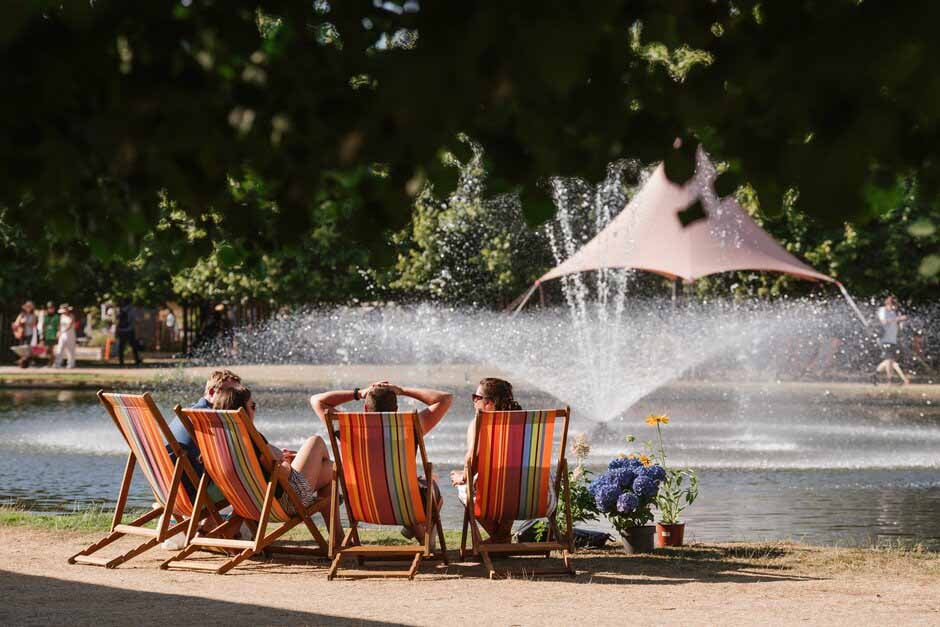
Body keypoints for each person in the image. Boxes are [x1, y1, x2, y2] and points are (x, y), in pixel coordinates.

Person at [310, 382, 453, 541]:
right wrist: (403, 390)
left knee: (406, 485)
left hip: (362, 503)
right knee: (428, 484)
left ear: (365, 409)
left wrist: (359, 393)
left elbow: (317, 400)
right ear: (396, 410)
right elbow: (445, 399)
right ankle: (424, 538)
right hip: (404, 503)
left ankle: (418, 532)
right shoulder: (410, 426)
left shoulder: (348, 428)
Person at [217, 384, 334, 516]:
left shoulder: (219, 439)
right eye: (252, 406)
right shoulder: (252, 439)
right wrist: (286, 461)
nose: (254, 410)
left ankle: (337, 536)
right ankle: (337, 532)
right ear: (242, 411)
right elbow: (282, 473)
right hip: (285, 502)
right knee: (316, 441)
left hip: (248, 502)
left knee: (330, 468)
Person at [449, 377, 523, 544]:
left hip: (493, 495)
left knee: (464, 488)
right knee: (512, 478)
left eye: (476, 397)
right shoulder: (524, 423)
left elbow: (472, 459)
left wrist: (463, 477)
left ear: (489, 403)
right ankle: (502, 534)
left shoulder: (479, 423)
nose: (474, 401)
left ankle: (499, 538)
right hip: (531, 494)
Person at [873, 295, 910, 385]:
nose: (895, 307)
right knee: (889, 360)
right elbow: (884, 322)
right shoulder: (883, 310)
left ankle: (874, 375)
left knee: (889, 360)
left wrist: (900, 325)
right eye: (894, 305)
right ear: (889, 304)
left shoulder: (893, 312)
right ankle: (890, 381)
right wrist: (898, 319)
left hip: (892, 339)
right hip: (884, 339)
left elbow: (895, 325)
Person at [12, 301, 38, 368]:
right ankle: (22, 362)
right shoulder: (22, 314)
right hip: (22, 333)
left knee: (27, 348)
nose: (28, 308)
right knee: (21, 347)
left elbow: (34, 324)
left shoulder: (33, 315)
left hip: (29, 333)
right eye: (27, 307)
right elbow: (16, 323)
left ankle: (26, 362)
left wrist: (26, 322)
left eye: (29, 307)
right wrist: (19, 322)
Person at [116, 300, 142, 366]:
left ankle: (121, 362)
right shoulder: (132, 310)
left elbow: (118, 321)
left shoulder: (121, 310)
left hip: (121, 330)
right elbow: (136, 320)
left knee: (121, 347)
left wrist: (117, 331)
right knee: (134, 346)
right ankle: (137, 361)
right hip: (129, 330)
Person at [41, 302, 59, 368]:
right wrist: (43, 335)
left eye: (52, 308)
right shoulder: (46, 316)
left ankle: (52, 363)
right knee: (48, 350)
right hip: (47, 335)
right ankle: (51, 362)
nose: (50, 309)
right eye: (49, 308)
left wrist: (58, 333)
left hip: (53, 335)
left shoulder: (56, 316)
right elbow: (44, 326)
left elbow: (58, 326)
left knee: (52, 350)